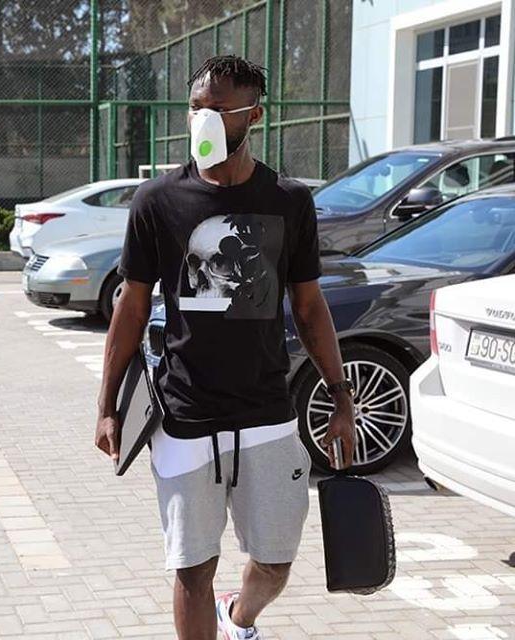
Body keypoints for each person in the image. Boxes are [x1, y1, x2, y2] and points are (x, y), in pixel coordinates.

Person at [95, 55, 356, 640]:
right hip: (184, 416)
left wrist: (340, 396)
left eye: (217, 109)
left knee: (276, 563)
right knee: (192, 570)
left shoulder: (288, 200)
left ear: (253, 115)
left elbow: (309, 306)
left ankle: (239, 616)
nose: (202, 119)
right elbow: (131, 307)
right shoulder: (157, 200)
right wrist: (107, 405)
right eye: (196, 108)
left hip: (267, 414)